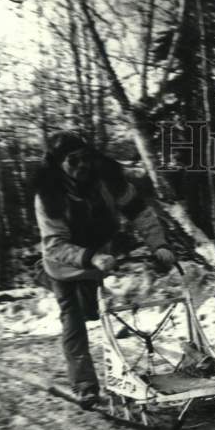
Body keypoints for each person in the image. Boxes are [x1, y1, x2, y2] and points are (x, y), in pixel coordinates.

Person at [32, 130, 176, 409]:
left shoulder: (107, 181)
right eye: (73, 160)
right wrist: (91, 258)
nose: (81, 166)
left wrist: (159, 244)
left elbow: (140, 212)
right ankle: (85, 385)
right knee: (73, 321)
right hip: (63, 266)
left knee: (91, 312)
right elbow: (54, 245)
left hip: (98, 259)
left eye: (85, 158)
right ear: (58, 163)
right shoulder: (48, 196)